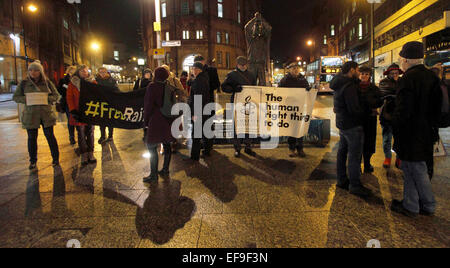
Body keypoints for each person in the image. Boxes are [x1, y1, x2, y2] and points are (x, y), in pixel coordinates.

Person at [390, 41, 441, 218]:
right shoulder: (432, 77)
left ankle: (428, 204)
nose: (400, 61)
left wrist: (390, 120)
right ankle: (410, 204)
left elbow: (403, 111)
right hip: (428, 131)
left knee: (417, 169)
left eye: (401, 58)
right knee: (412, 169)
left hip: (411, 134)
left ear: (406, 60)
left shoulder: (408, 79)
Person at [330, 61, 372, 198]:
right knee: (354, 156)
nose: (359, 73)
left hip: (343, 124)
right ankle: (355, 185)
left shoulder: (339, 83)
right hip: (352, 125)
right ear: (352, 70)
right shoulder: (349, 85)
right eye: (358, 70)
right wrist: (366, 112)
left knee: (342, 152)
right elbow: (354, 108)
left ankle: (341, 180)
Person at [13, 60, 60, 170]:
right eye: (31, 70)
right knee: (32, 138)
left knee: (50, 136)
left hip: (46, 114)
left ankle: (55, 158)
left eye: (36, 70)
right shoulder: (24, 83)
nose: (33, 72)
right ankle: (33, 161)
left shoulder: (47, 82)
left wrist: (46, 99)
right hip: (31, 115)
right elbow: (16, 97)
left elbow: (56, 95)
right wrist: (28, 99)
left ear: (40, 72)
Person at [143, 67, 175, 182]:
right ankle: (165, 169)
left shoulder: (152, 87)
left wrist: (145, 122)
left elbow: (148, 106)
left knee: (151, 147)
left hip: (155, 119)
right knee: (167, 145)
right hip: (167, 120)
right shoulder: (170, 87)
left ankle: (153, 175)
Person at [221, 56, 257, 157]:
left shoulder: (251, 75)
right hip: (236, 104)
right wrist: (234, 88)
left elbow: (255, 88)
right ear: (237, 64)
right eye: (241, 64)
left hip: (249, 104)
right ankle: (237, 148)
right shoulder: (231, 75)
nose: (243, 66)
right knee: (236, 126)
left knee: (249, 126)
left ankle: (248, 146)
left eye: (245, 64)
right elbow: (224, 87)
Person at [279, 62, 311, 158]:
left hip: (300, 108)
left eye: (297, 68)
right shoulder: (284, 80)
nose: (296, 69)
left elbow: (307, 92)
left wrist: (308, 90)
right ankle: (291, 148)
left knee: (300, 129)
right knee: (292, 130)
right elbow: (279, 92)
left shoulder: (303, 80)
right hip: (289, 108)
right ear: (289, 69)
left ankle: (300, 148)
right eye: (293, 68)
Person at [67, 65, 97, 166]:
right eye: (82, 71)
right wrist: (72, 110)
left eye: (86, 71)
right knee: (81, 133)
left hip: (90, 112)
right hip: (78, 112)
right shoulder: (73, 83)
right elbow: (69, 97)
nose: (84, 72)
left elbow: (99, 95)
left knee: (90, 132)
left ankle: (91, 153)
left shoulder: (93, 82)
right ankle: (84, 154)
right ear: (78, 72)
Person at [358, 66, 383, 173]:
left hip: (370, 119)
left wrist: (372, 103)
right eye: (362, 73)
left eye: (366, 74)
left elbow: (380, 100)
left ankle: (367, 164)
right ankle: (357, 164)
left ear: (369, 76)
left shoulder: (374, 88)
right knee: (358, 143)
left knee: (369, 142)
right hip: (358, 119)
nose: (364, 76)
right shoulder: (355, 87)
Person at [379, 63, 403, 169]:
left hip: (399, 115)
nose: (394, 75)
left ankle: (399, 158)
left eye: (396, 73)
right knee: (387, 139)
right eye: (392, 73)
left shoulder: (402, 81)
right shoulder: (384, 82)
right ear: (388, 74)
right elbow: (384, 93)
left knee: (399, 139)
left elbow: (405, 95)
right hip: (387, 115)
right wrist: (397, 94)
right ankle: (387, 158)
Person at [189, 62, 212, 161]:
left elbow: (197, 99)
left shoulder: (198, 81)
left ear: (198, 69)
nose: (192, 71)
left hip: (199, 111)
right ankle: (207, 151)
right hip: (205, 109)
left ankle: (194, 156)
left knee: (196, 135)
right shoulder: (204, 79)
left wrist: (194, 113)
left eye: (193, 69)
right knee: (205, 132)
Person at [95, 67, 119, 144]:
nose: (102, 73)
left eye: (104, 72)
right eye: (101, 72)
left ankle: (110, 135)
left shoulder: (112, 80)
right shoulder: (96, 81)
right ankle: (102, 136)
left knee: (110, 120)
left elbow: (116, 90)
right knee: (101, 121)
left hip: (109, 103)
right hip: (100, 103)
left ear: (107, 72)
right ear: (98, 73)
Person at [57, 66, 77, 145]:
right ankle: (71, 136)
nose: (72, 73)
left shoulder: (78, 80)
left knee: (78, 119)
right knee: (70, 119)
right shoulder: (63, 80)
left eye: (74, 71)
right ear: (68, 72)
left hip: (77, 102)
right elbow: (59, 90)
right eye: (71, 71)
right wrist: (67, 89)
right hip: (67, 102)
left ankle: (80, 135)